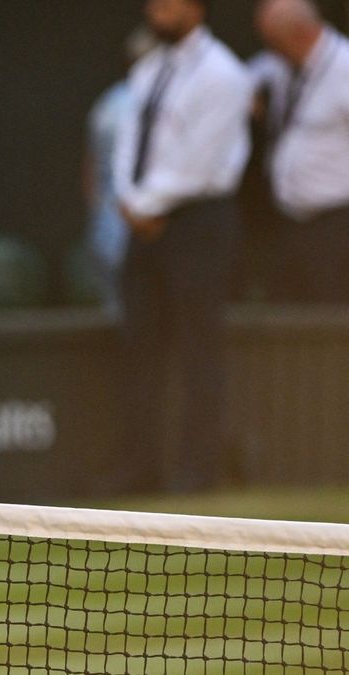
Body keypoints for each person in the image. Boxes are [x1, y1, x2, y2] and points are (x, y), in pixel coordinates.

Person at [114, 0, 253, 493]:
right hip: (143, 224)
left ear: (195, 8)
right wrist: (130, 201)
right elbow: (127, 140)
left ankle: (197, 471)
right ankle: (139, 469)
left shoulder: (224, 73)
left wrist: (148, 204)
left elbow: (201, 160)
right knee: (139, 346)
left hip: (199, 223)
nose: (157, 10)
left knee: (199, 349)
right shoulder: (150, 68)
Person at [255, 0, 349, 303]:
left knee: (330, 324)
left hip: (337, 224)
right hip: (291, 221)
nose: (270, 51)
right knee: (286, 320)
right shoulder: (286, 67)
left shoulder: (344, 67)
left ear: (300, 33)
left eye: (274, 42)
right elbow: (247, 73)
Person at [83, 28, 156, 315]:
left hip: (104, 221)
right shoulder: (146, 105)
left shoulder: (108, 102)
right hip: (135, 224)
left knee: (117, 314)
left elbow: (88, 172)